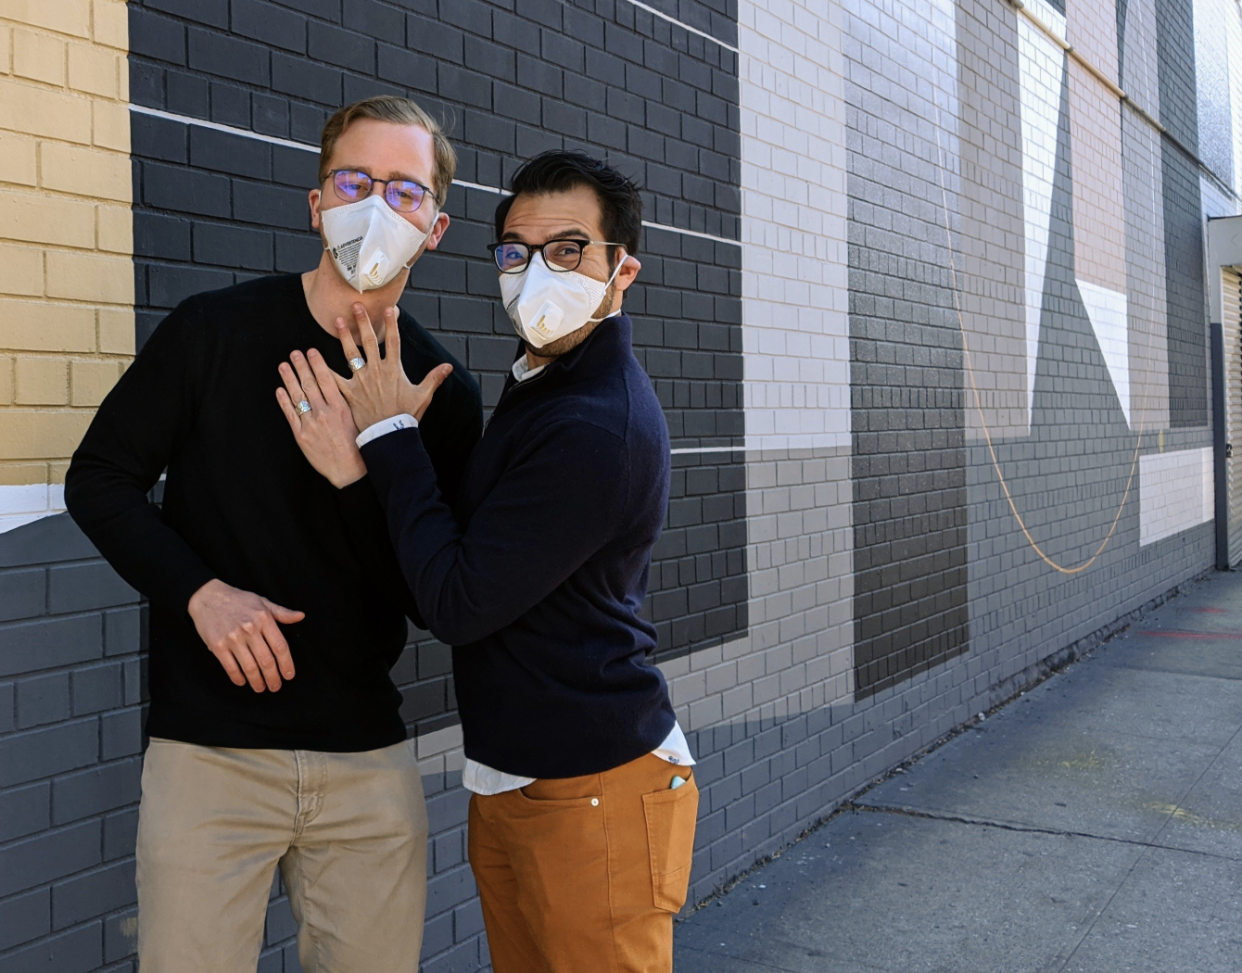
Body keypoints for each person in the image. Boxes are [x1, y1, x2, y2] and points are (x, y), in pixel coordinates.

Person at [63, 95, 482, 973]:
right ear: (317, 202)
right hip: (208, 758)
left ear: (436, 226)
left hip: (367, 761)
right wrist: (199, 594)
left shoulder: (441, 392)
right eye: (354, 180)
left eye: (405, 190)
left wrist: (361, 473)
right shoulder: (212, 332)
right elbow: (97, 480)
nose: (377, 204)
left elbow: (430, 596)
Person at [280, 151, 699, 973]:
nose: (538, 271)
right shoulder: (544, 385)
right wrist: (370, 467)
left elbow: (460, 599)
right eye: (517, 251)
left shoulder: (595, 423)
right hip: (518, 777)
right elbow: (453, 559)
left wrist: (390, 435)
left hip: (595, 786)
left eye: (569, 249)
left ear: (624, 271)